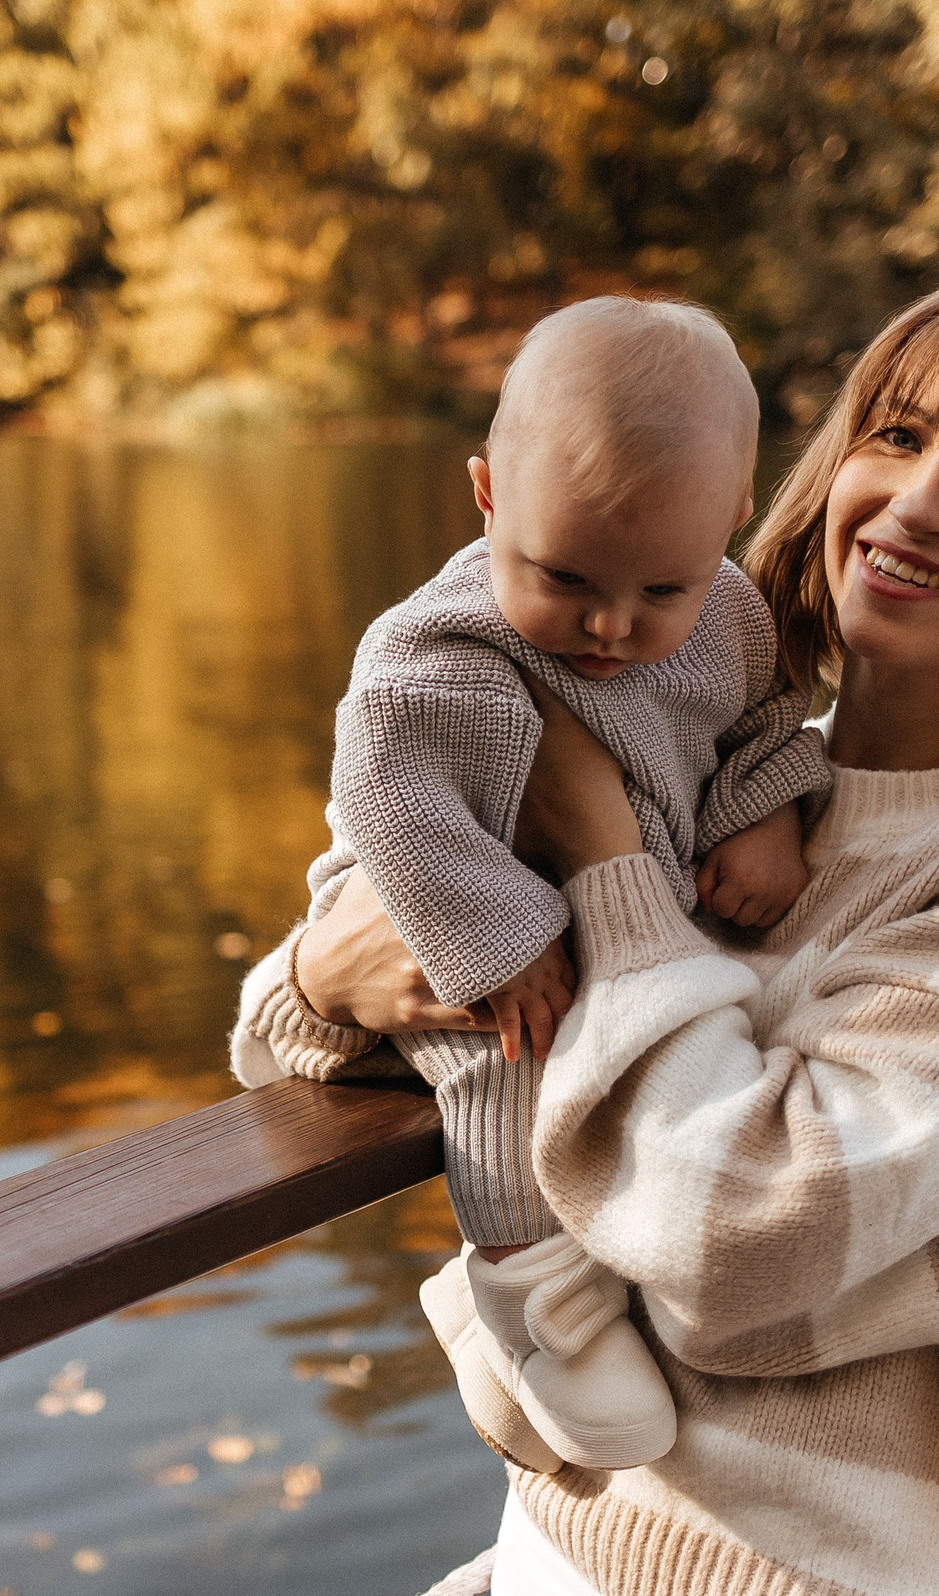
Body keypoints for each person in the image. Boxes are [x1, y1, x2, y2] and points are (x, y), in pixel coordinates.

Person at [239, 259, 939, 1596]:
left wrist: (596, 845)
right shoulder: (706, 758)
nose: (913, 499)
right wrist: (326, 969)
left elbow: (740, 1233)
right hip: (569, 1568)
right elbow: (302, 1040)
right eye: (894, 436)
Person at [237, 296, 831, 1473]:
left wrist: (768, 809)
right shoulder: (441, 646)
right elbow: (390, 799)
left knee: (677, 1053)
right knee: (513, 1077)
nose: (608, 626)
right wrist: (500, 941)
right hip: (454, 895)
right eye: (562, 575)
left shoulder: (733, 618)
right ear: (487, 496)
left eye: (660, 589)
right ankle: (529, 1298)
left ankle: (579, 1271)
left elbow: (764, 724)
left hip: (616, 902)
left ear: (731, 520)